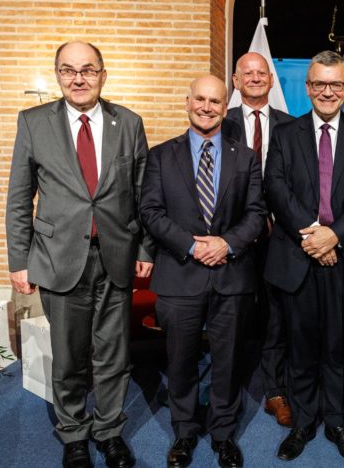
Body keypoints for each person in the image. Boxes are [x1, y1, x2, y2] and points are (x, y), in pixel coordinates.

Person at [6, 41, 154, 468]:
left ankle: (109, 432)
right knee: (69, 358)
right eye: (68, 70)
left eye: (88, 70)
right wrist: (19, 259)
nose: (79, 78)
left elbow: (143, 194)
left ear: (103, 75)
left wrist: (144, 246)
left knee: (114, 355)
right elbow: (19, 196)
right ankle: (73, 435)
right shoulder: (33, 122)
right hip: (57, 258)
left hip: (116, 256)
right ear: (57, 75)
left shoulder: (128, 122)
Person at [263, 50, 344, 463]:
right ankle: (303, 422)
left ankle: (336, 422)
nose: (327, 91)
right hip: (298, 255)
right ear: (308, 87)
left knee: (337, 347)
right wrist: (314, 236)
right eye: (319, 84)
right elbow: (276, 188)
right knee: (300, 347)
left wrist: (335, 235)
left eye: (336, 84)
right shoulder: (285, 132)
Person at [139, 74, 266, 468]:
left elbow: (257, 213)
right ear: (188, 101)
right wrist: (193, 245)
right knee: (180, 360)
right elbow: (150, 212)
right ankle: (184, 433)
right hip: (180, 273)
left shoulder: (245, 157)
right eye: (200, 99)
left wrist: (226, 244)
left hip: (231, 274)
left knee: (227, 361)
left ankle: (224, 434)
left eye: (215, 101)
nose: (207, 107)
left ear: (224, 105)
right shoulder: (160, 156)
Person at [224, 51, 295, 427]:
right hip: (232, 238)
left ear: (270, 80)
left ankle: (274, 391)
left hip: (278, 237)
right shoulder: (220, 122)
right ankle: (226, 393)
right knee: (230, 316)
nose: (254, 78)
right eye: (246, 73)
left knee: (274, 318)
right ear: (235, 81)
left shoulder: (290, 126)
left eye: (260, 73)